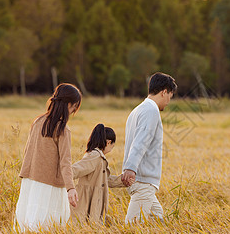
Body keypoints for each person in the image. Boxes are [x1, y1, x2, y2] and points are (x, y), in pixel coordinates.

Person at [14, 83, 82, 232]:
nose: (73, 111)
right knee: (49, 224)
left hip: (31, 180)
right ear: (68, 104)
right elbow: (66, 161)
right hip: (50, 183)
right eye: (74, 107)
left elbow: (28, 151)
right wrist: (71, 188)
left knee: (30, 220)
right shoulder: (63, 129)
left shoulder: (38, 122)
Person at [122, 72, 177, 223]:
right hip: (142, 179)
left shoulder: (137, 110)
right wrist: (131, 168)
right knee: (132, 227)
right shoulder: (151, 110)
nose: (168, 102)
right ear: (164, 91)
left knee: (158, 218)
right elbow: (141, 142)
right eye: (169, 97)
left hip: (140, 179)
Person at [70, 124, 127, 224]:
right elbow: (76, 169)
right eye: (112, 146)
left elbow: (105, 180)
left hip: (94, 199)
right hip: (87, 200)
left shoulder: (99, 157)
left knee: (90, 229)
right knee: (85, 228)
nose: (111, 149)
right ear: (108, 142)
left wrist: (123, 181)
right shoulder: (95, 156)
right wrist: (61, 176)